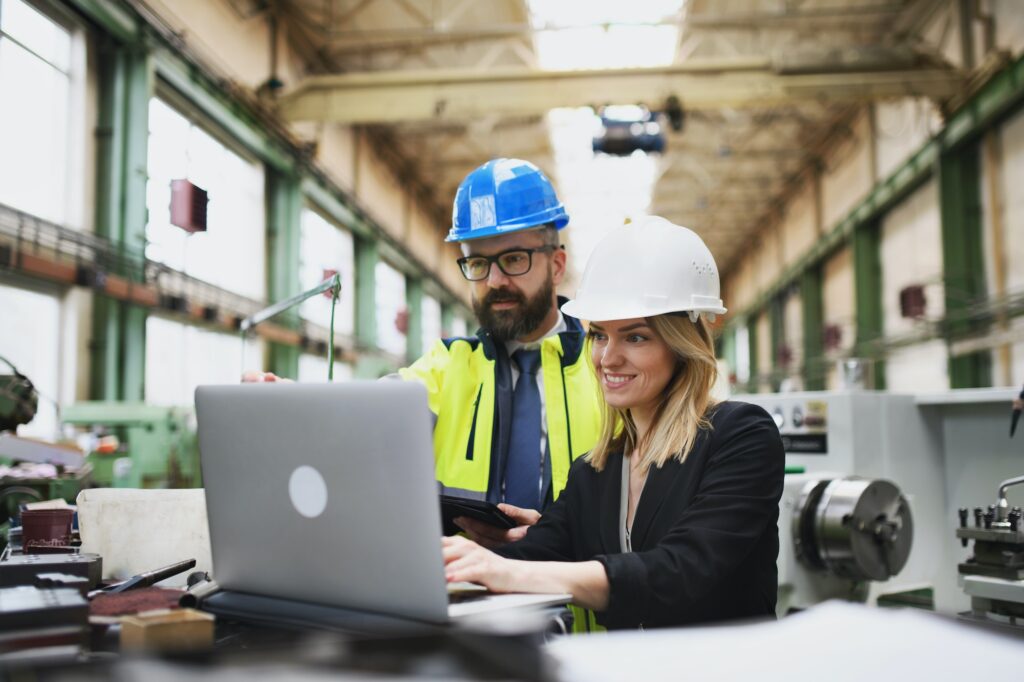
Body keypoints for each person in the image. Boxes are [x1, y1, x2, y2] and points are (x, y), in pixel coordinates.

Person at [442, 216, 785, 630]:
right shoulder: (596, 471)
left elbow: (681, 570)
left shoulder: (740, 436)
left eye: (635, 337)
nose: (608, 358)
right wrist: (440, 565)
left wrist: (513, 573)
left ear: (682, 345)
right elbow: (531, 557)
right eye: (600, 335)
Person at [398, 159, 602, 547]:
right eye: (477, 262)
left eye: (512, 259)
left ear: (556, 265)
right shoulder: (445, 366)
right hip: (467, 597)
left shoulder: (608, 369)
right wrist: (288, 403)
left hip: (581, 598)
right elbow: (366, 417)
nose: (494, 281)